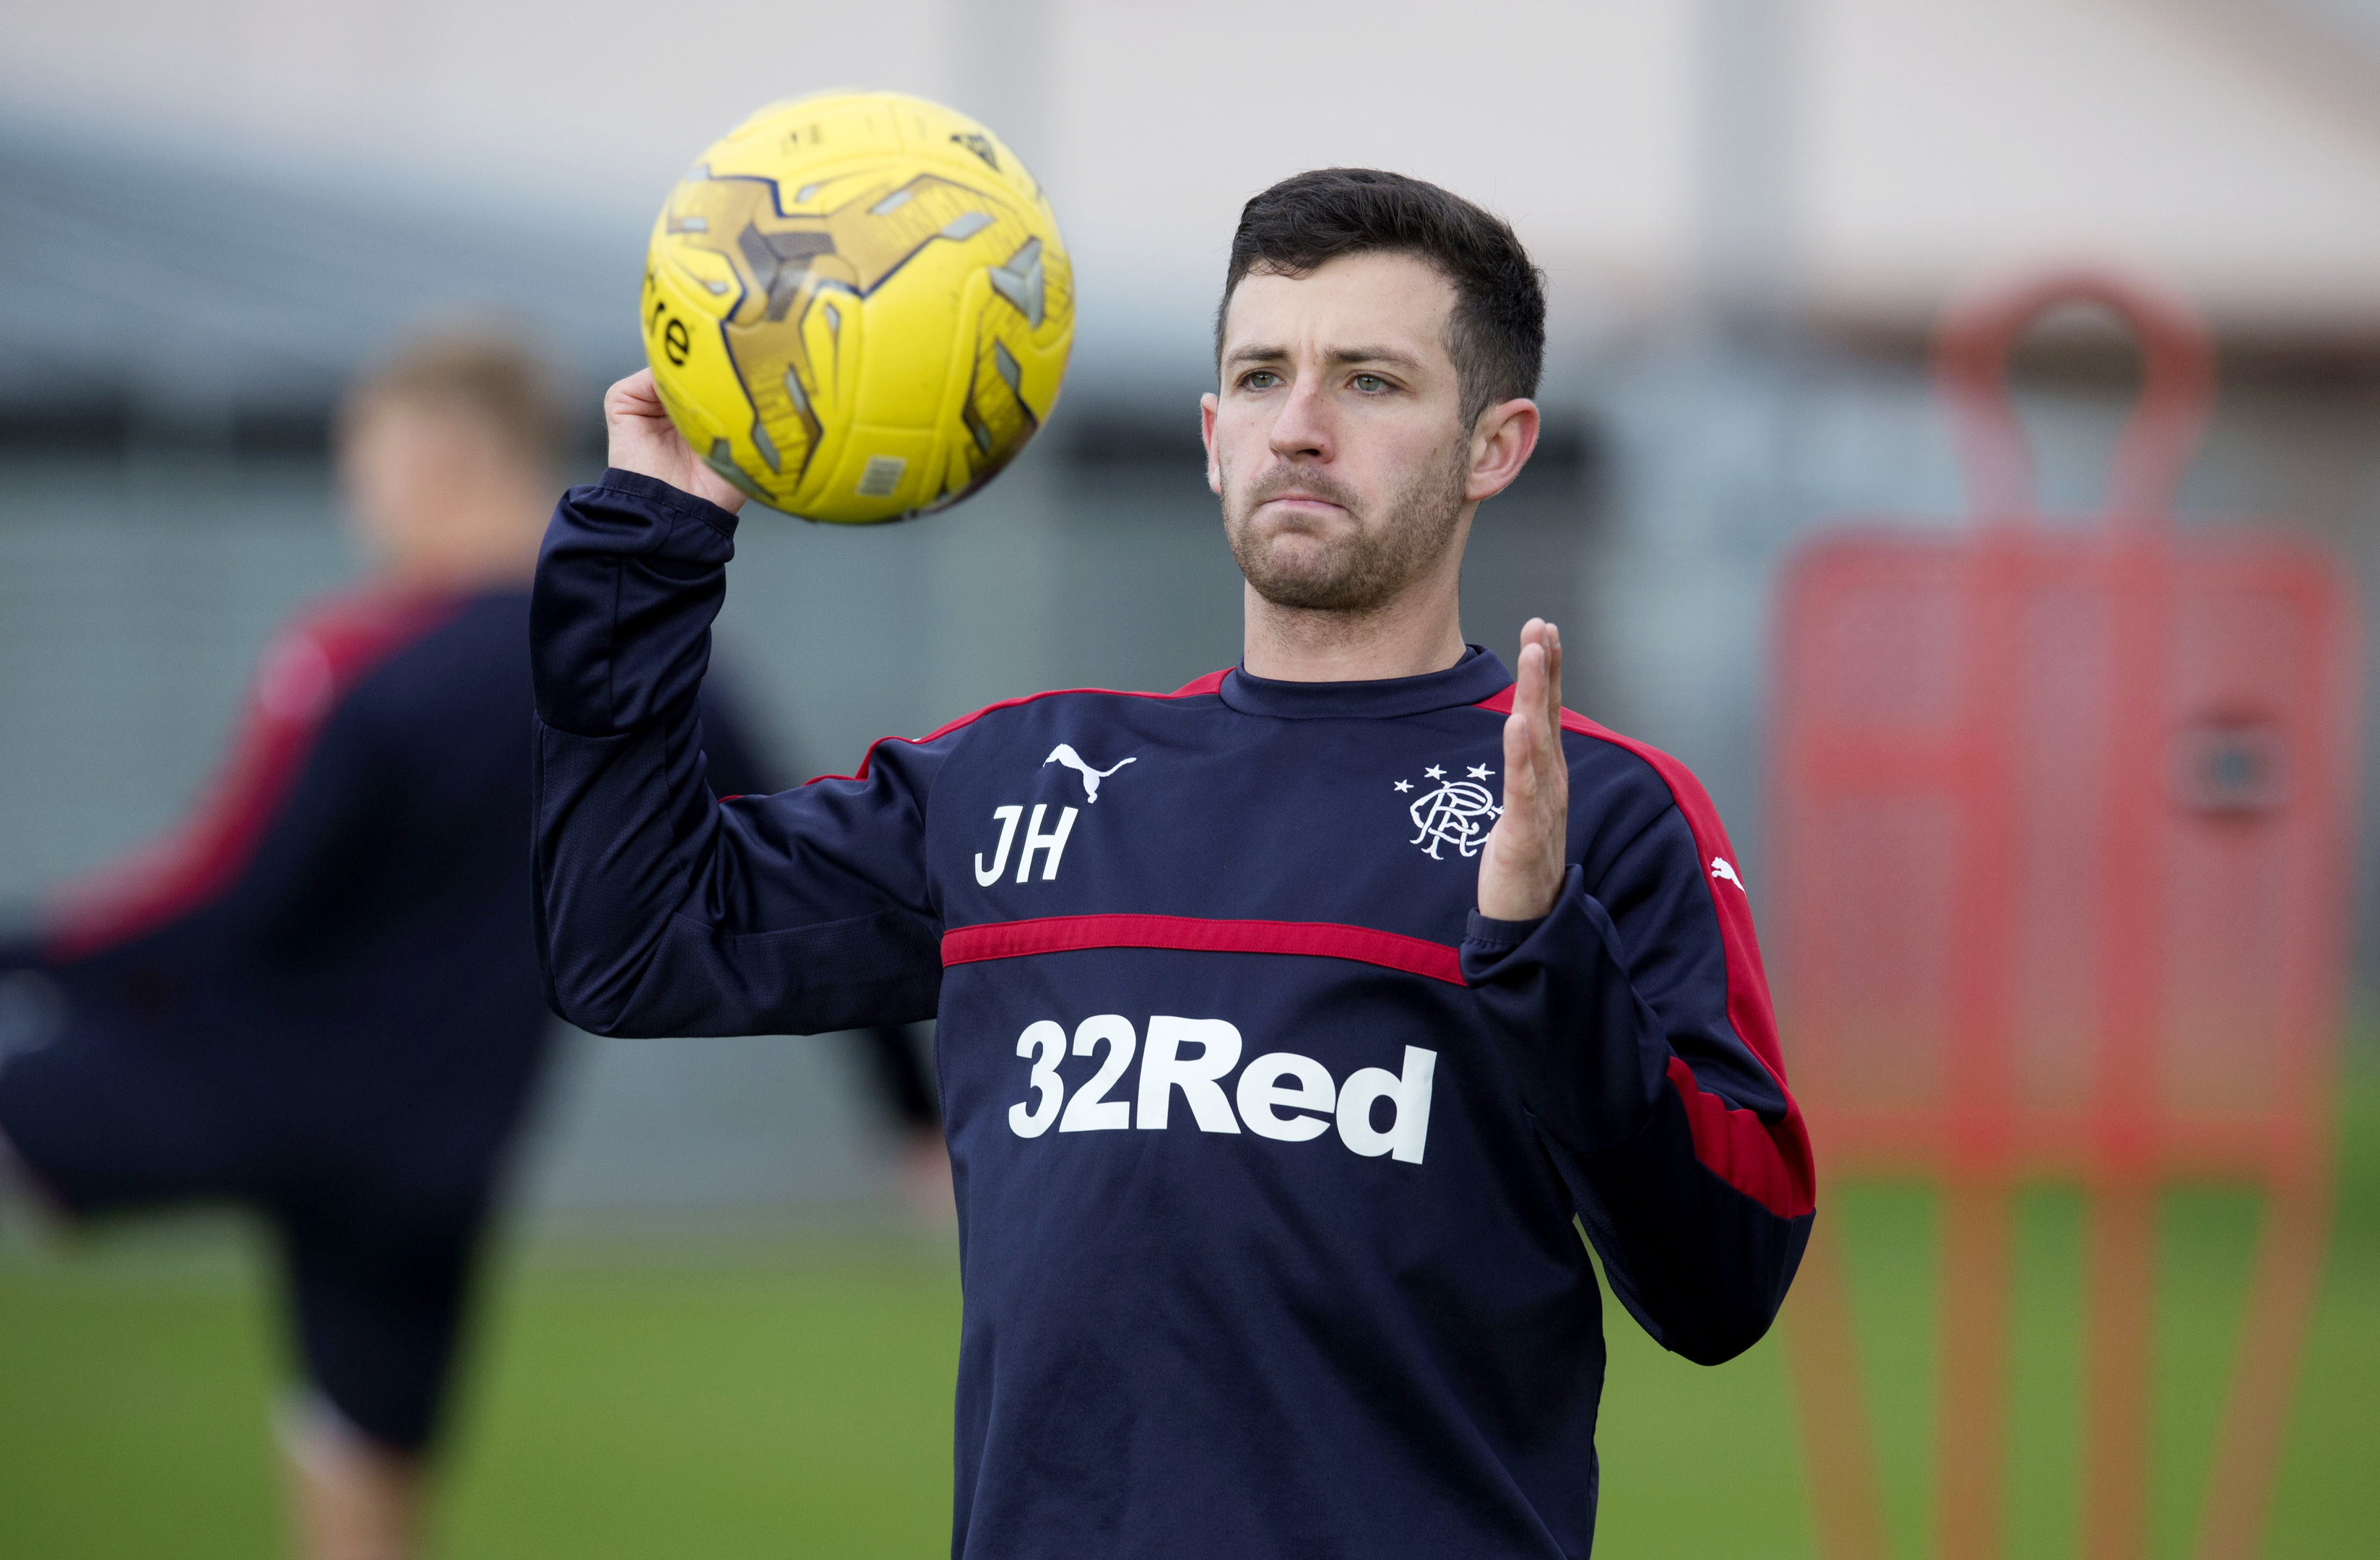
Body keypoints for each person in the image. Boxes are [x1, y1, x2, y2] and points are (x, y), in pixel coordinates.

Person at [529, 169, 1815, 1556]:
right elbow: (632, 942)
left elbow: (1724, 1279)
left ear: (1495, 447)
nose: (1302, 427)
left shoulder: (1588, 812)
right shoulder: (1021, 784)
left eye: (1372, 383)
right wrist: (650, 540)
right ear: (1212, 435)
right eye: (1262, 376)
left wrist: (1541, 953)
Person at [0, 335, 930, 1559]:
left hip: (251, 1084)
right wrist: (909, 1120)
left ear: (437, 455)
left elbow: (232, 900)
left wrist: (28, 952)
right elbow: (803, 891)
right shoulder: (657, 675)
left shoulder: (369, 656)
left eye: (363, 462)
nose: (358, 499)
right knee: (362, 1500)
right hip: (437, 1154)